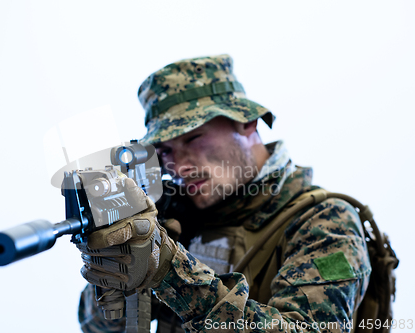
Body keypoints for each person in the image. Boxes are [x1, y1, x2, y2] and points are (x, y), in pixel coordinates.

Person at [77, 54, 371, 332]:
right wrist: (117, 265)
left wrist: (168, 269)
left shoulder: (326, 222)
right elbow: (94, 325)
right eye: (165, 151)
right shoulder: (177, 216)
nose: (178, 166)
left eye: (193, 138)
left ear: (246, 122)